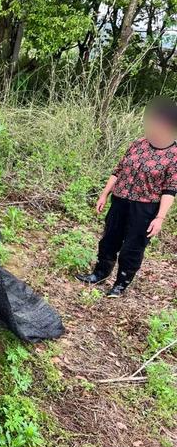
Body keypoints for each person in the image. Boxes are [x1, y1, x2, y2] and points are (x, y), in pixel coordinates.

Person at [77, 97, 177, 297]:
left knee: (132, 247)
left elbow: (170, 189)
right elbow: (118, 170)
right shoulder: (138, 143)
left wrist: (160, 218)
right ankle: (100, 273)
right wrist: (104, 194)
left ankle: (121, 283)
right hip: (120, 200)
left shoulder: (174, 155)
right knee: (109, 239)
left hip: (145, 208)